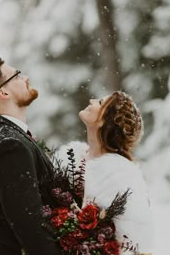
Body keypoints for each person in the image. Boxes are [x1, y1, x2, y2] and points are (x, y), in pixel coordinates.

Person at [0, 58, 61, 255]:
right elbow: (31, 228)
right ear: (3, 92)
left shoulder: (6, 135)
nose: (25, 77)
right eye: (17, 75)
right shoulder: (9, 146)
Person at [56, 91, 153, 254]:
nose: (91, 100)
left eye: (100, 102)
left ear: (106, 121)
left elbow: (133, 241)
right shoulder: (68, 160)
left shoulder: (122, 173)